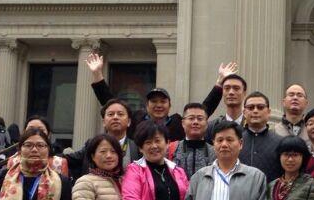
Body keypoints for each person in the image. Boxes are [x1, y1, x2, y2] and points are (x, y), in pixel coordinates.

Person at [87, 54, 232, 140]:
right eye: (154, 101)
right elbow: (110, 103)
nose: (158, 105)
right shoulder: (135, 120)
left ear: (169, 105)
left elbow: (204, 110)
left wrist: (220, 81)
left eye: (163, 101)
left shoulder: (178, 123)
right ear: (147, 105)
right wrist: (97, 75)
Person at [65, 99, 139, 180]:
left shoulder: (137, 147)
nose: (115, 117)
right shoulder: (92, 145)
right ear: (103, 122)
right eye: (110, 114)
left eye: (120, 114)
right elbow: (70, 159)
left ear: (129, 122)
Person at [241, 92, 283, 180]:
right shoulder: (236, 141)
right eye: (250, 107)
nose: (255, 111)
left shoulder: (280, 142)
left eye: (260, 107)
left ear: (268, 112)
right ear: (244, 112)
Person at [166, 103, 215, 179]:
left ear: (206, 123)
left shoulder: (215, 152)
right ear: (183, 123)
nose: (195, 122)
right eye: (191, 118)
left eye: (200, 119)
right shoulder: (171, 149)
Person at [205, 70, 247, 142]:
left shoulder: (252, 126)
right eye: (227, 88)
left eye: (236, 88)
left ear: (244, 93)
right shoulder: (211, 127)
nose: (231, 92)